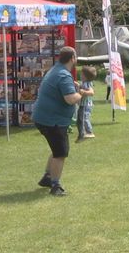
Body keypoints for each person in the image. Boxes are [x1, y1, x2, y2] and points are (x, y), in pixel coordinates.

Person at [33, 46, 82, 196]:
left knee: (56, 150)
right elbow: (70, 99)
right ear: (72, 58)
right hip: (52, 121)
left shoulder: (56, 70)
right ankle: (55, 185)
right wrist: (83, 93)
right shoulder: (63, 75)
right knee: (61, 153)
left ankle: (48, 177)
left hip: (43, 118)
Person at [76, 66, 96, 142]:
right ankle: (81, 134)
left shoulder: (88, 83)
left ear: (86, 77)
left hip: (86, 104)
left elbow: (92, 92)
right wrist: (78, 85)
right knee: (80, 119)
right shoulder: (84, 83)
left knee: (84, 118)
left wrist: (84, 92)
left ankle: (89, 132)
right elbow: (82, 88)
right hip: (82, 104)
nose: (81, 75)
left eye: (82, 74)